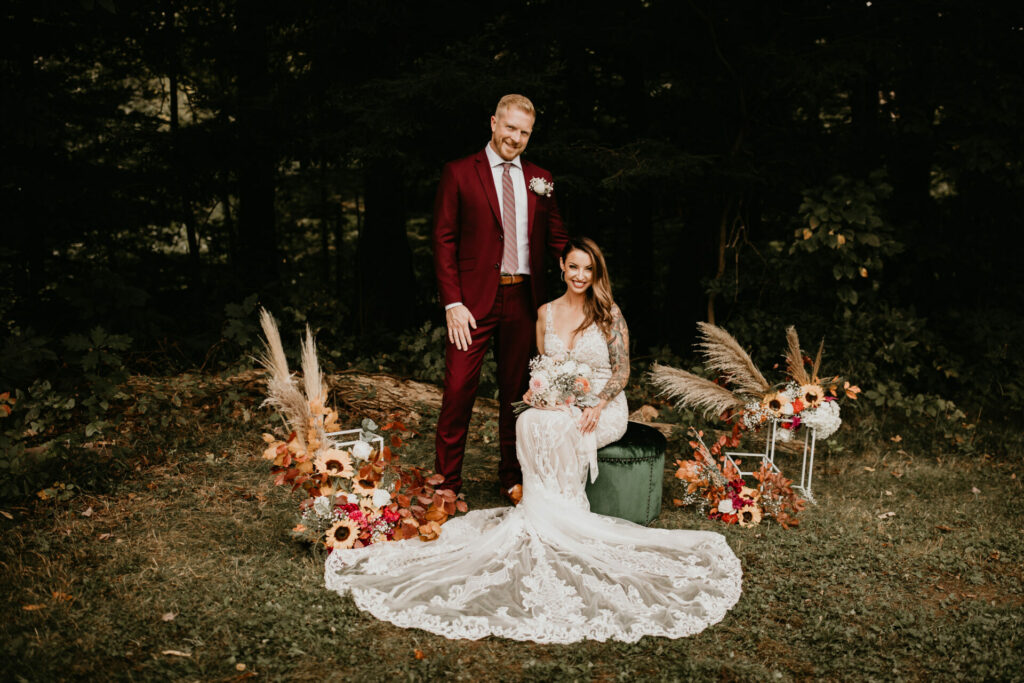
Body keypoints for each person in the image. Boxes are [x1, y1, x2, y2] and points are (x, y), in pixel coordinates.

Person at [324, 238, 742, 644]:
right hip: (561, 398)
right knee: (529, 423)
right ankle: (541, 512)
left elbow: (622, 371)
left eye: (588, 268)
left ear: (597, 273)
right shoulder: (544, 313)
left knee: (562, 429)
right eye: (573, 266)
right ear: (562, 268)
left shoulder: (609, 313)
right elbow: (545, 366)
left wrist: (596, 402)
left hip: (602, 404)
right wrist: (537, 392)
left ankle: (564, 517)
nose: (579, 275)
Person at [431, 94, 570, 502]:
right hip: (470, 305)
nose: (516, 138)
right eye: (510, 128)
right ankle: (447, 485)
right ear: (493, 123)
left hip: (525, 302)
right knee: (458, 391)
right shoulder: (459, 173)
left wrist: (587, 273)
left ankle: (511, 476)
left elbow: (558, 238)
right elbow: (443, 241)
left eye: (524, 132)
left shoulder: (540, 178)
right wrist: (452, 303)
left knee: (518, 394)